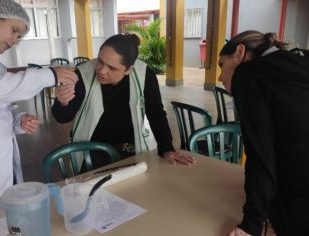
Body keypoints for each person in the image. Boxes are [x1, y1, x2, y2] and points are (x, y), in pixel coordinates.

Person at [0, 0, 77, 215]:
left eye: (20, 37)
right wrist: (50, 74)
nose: (15, 40)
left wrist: (18, 120)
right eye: (14, 30)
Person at [52, 34, 196, 170]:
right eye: (100, 61)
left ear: (129, 69)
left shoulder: (144, 75)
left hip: (129, 149)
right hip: (90, 150)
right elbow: (63, 117)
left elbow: (156, 113)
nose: (102, 71)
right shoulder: (82, 74)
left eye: (112, 68)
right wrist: (62, 102)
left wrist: (167, 148)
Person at [218, 30, 309, 236]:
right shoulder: (300, 59)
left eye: (222, 64)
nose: (220, 76)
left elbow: (261, 157)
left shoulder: (249, 75)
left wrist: (251, 224)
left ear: (240, 52)